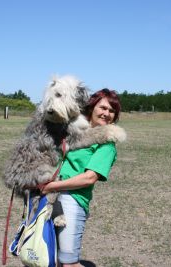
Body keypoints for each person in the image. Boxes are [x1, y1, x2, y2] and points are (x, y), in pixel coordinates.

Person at [41, 88, 122, 267]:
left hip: (72, 201)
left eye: (111, 110)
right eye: (102, 108)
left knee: (69, 263)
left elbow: (89, 178)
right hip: (50, 199)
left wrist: (51, 186)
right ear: (91, 108)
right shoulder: (73, 132)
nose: (106, 113)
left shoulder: (107, 144)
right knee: (49, 258)